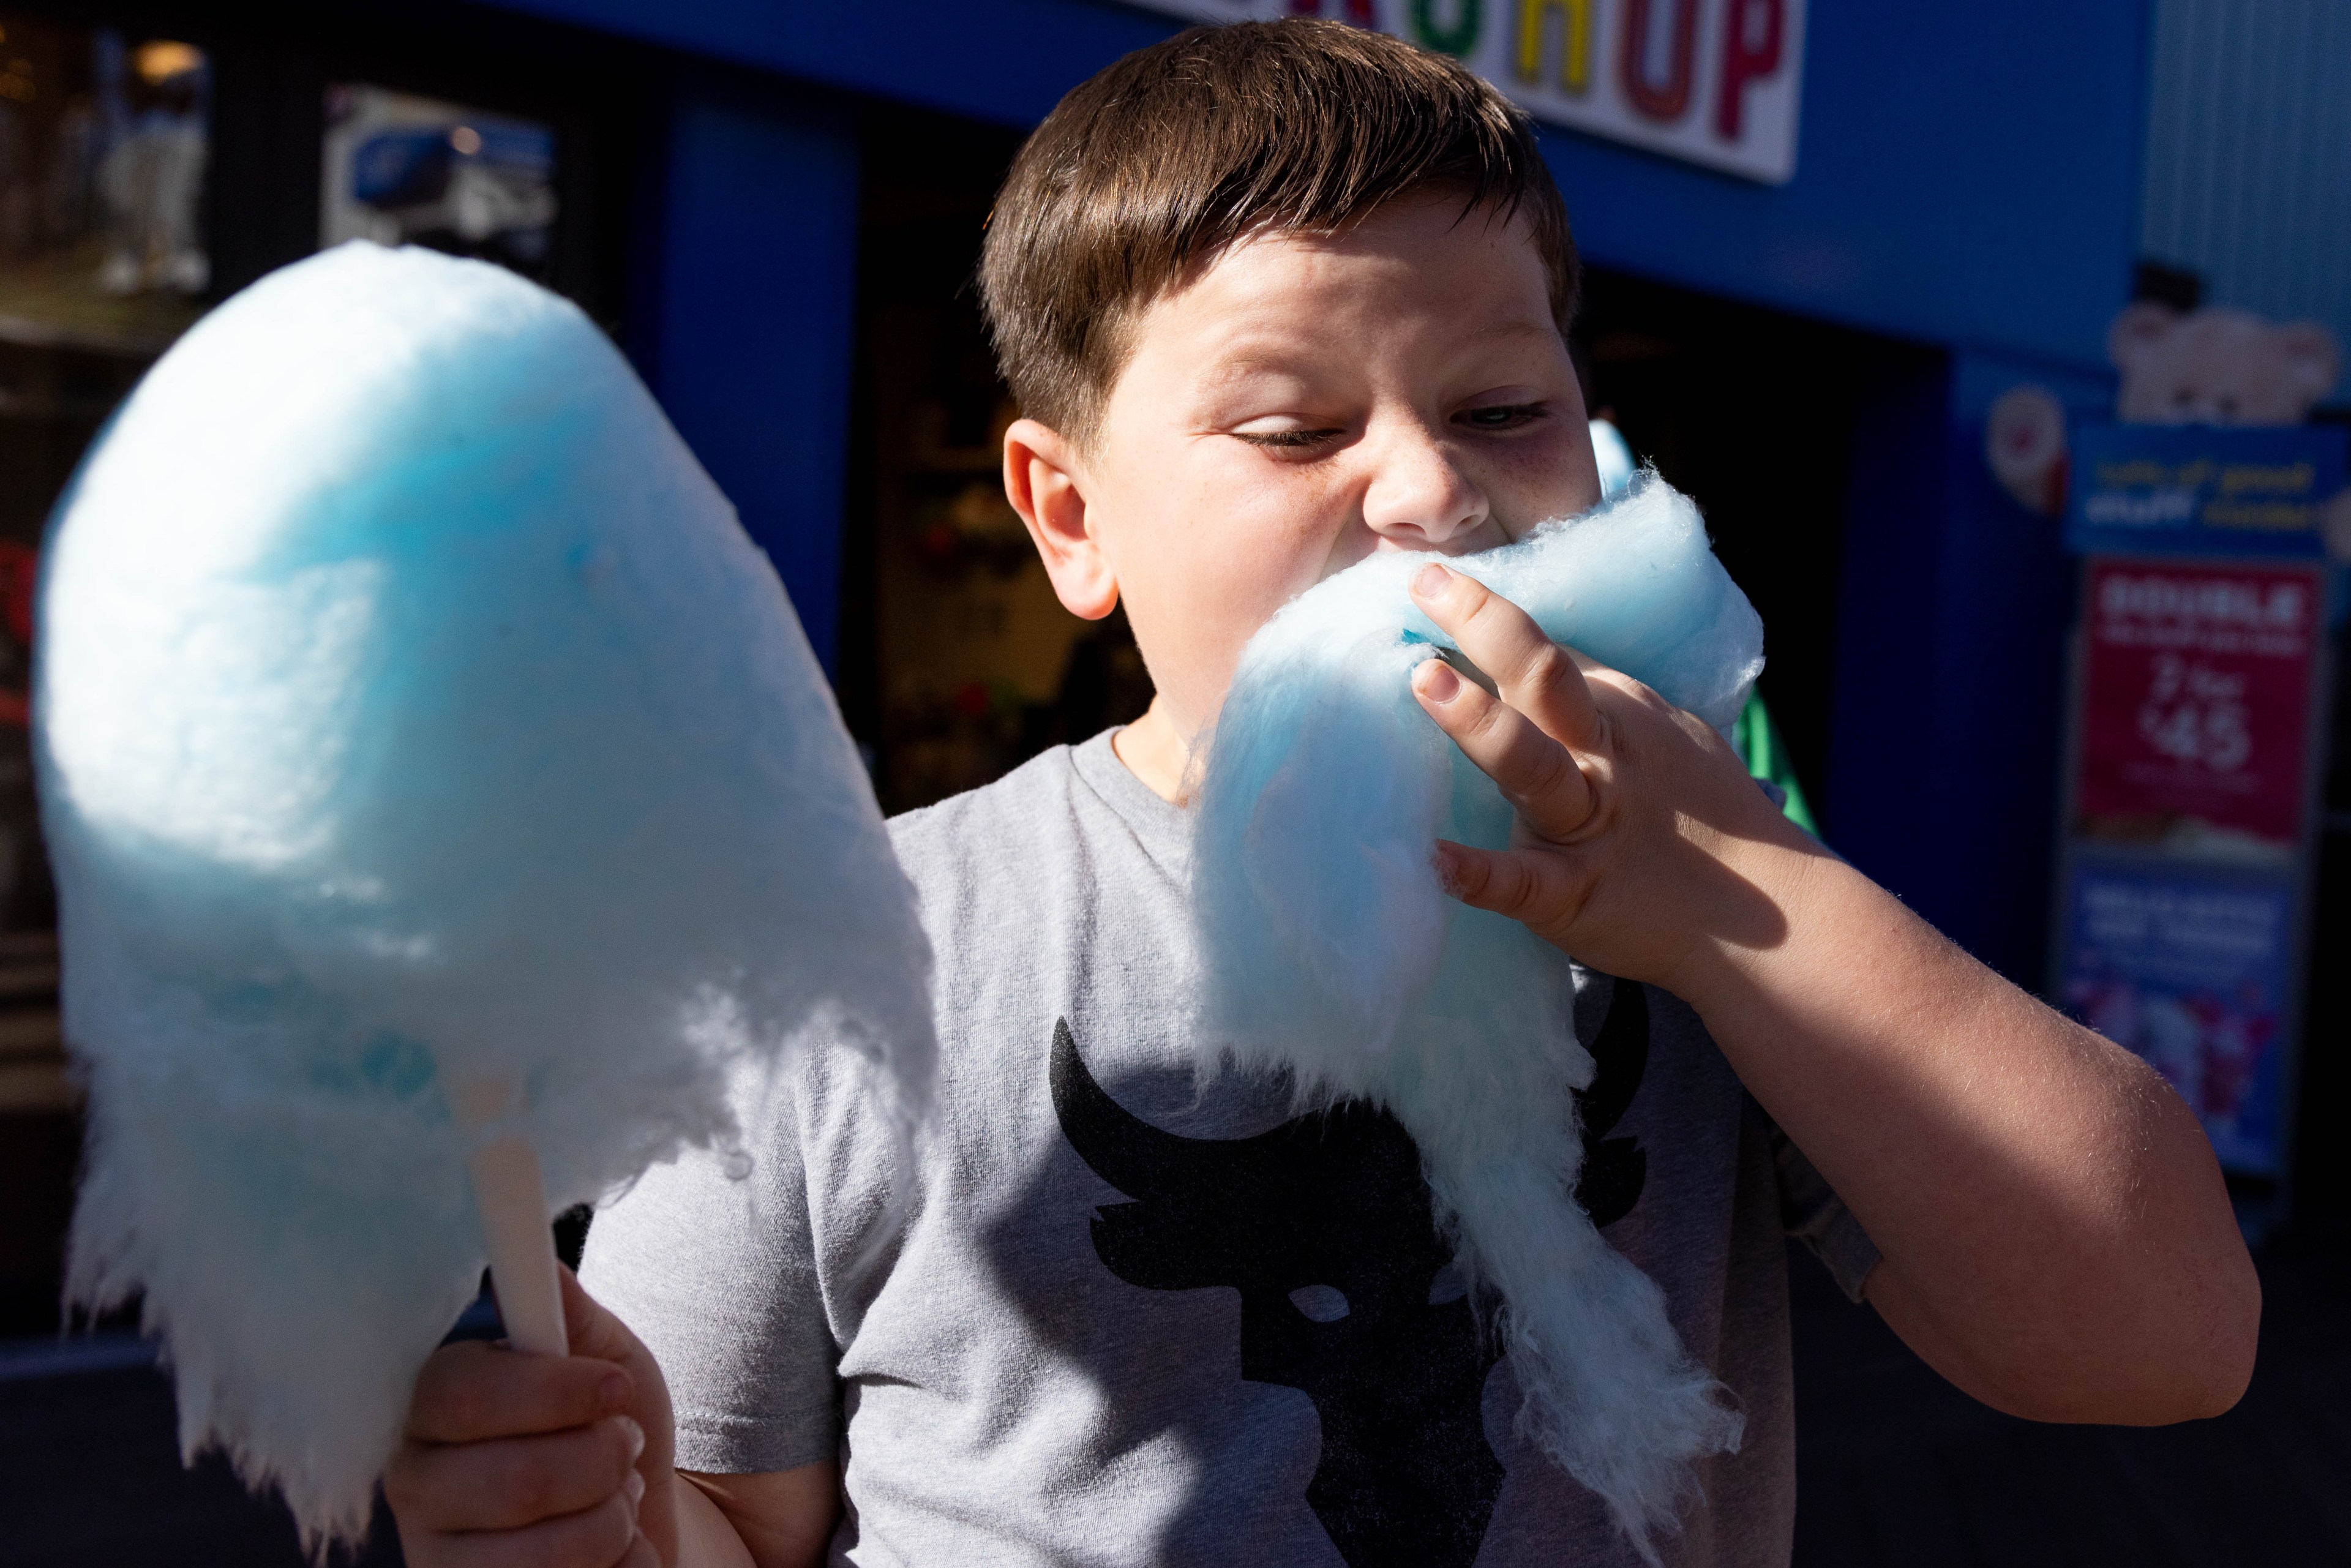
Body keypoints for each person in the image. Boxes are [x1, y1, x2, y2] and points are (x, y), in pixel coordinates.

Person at [383, 21, 2257, 1568]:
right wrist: (606, 1518)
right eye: (1293, 427)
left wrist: (1738, 887)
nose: (1431, 494)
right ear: (1068, 515)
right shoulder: (843, 950)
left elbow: (2167, 1341)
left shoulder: (1699, 904)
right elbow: (737, 1515)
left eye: (1507, 409)